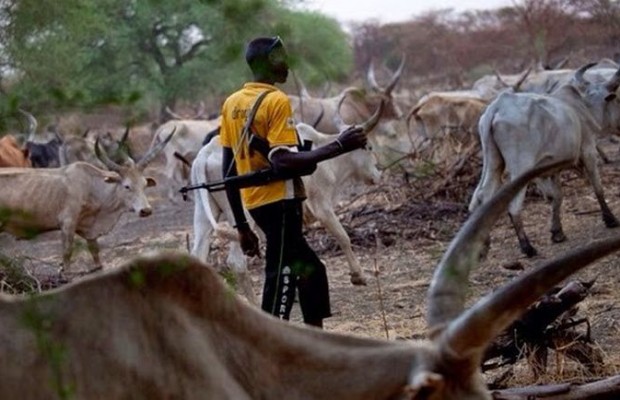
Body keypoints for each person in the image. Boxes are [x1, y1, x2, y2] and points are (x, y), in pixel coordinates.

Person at [219, 36, 367, 328]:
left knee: (312, 271)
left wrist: (242, 225)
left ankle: (314, 340)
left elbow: (229, 170)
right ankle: (271, 341)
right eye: (280, 57)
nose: (286, 63)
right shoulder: (275, 100)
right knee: (281, 276)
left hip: (257, 204)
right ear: (265, 62)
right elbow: (282, 161)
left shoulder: (232, 103)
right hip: (281, 202)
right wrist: (340, 145)